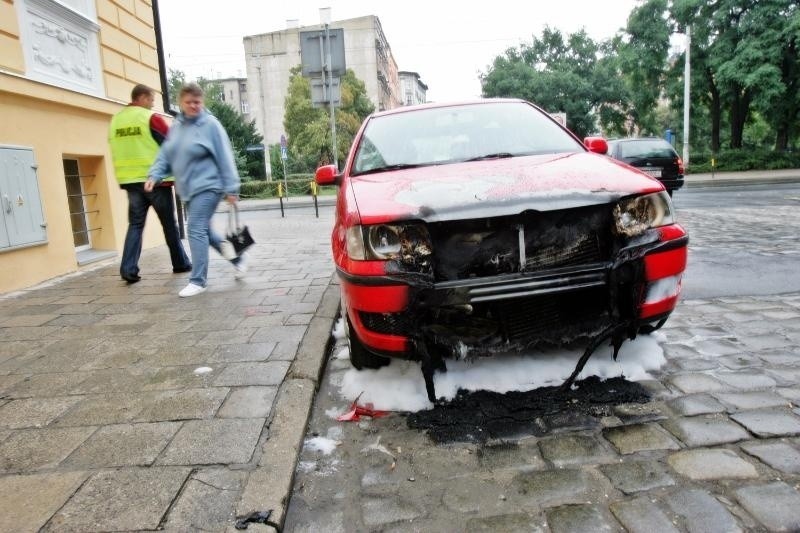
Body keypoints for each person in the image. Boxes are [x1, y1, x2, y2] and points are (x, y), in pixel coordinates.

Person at [144, 82, 246, 297]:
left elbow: (225, 157)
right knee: (205, 233)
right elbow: (166, 154)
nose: (193, 106)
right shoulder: (177, 127)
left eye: (197, 102)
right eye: (189, 102)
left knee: (195, 228)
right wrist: (155, 174)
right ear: (180, 102)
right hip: (187, 188)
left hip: (209, 185)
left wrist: (231, 188)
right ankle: (237, 258)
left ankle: (198, 281)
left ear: (203, 102)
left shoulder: (211, 125)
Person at [108, 84, 192, 283]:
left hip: (130, 180)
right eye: (152, 99)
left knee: (135, 224)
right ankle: (180, 263)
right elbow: (170, 144)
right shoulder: (149, 118)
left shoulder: (116, 120)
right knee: (169, 224)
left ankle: (128, 269)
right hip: (155, 182)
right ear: (143, 97)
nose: (153, 104)